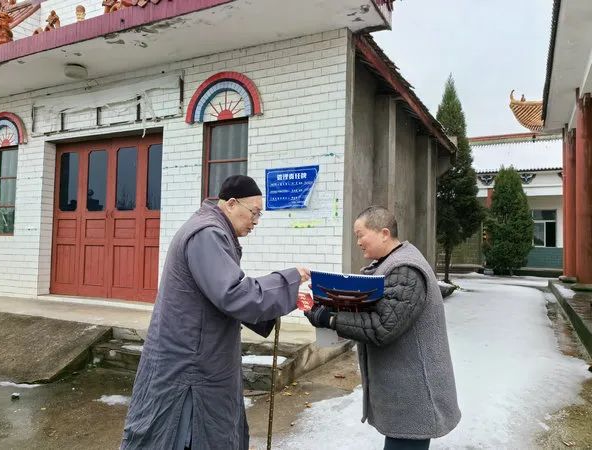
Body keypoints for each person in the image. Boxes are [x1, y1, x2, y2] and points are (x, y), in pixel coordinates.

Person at [121, 175, 310, 450]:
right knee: (184, 437)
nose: (255, 222)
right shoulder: (207, 233)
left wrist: (284, 296)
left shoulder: (211, 229)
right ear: (232, 204)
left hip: (199, 356)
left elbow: (225, 294)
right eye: (254, 213)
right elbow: (233, 293)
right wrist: (287, 283)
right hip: (190, 368)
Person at [306, 206, 460, 450]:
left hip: (416, 393)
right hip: (406, 394)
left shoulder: (406, 269)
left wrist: (331, 320)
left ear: (384, 233)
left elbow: (382, 327)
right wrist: (332, 306)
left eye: (360, 234)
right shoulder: (390, 264)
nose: (357, 242)